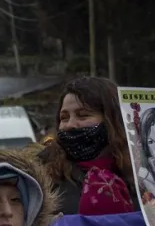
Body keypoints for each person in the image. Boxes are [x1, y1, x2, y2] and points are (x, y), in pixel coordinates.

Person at [39, 77, 137, 216]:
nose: (71, 124)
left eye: (83, 116)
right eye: (64, 118)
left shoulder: (145, 172)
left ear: (112, 121)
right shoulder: (42, 174)